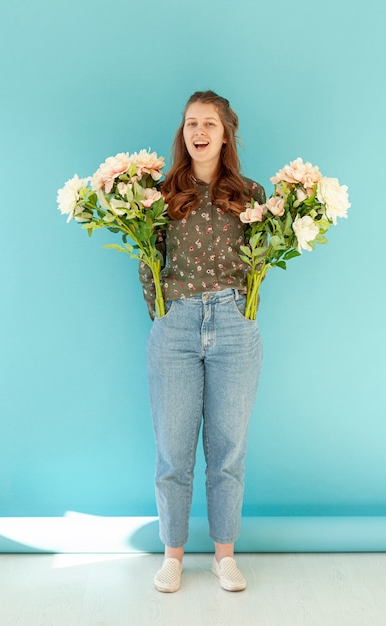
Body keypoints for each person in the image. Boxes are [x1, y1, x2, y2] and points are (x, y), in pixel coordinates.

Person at [139, 90, 265, 593]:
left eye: (209, 123)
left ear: (226, 132)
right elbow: (148, 261)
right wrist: (164, 316)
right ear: (183, 132)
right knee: (173, 451)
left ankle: (223, 557)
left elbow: (262, 261)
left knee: (228, 450)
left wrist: (242, 312)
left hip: (234, 325)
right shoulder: (162, 193)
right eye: (191, 122)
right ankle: (173, 556)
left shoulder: (251, 195)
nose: (199, 131)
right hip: (177, 328)